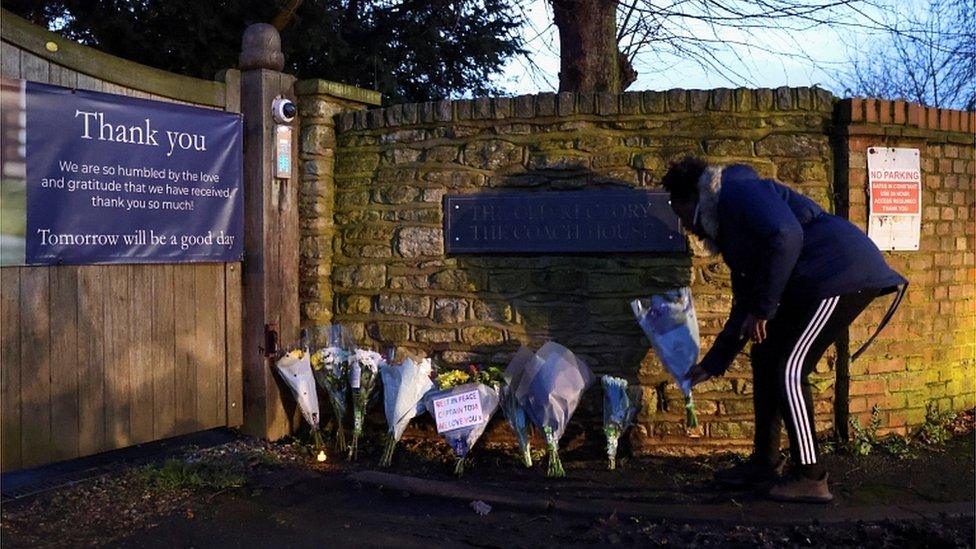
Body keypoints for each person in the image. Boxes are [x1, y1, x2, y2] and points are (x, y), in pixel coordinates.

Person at [661, 157, 906, 503]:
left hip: (839, 272)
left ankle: (810, 476)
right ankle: (764, 462)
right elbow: (744, 304)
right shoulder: (731, 228)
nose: (684, 224)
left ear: (692, 197)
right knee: (766, 355)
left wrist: (765, 309)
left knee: (788, 368)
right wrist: (713, 364)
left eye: (681, 212)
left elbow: (785, 234)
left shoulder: (736, 191)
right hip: (815, 279)